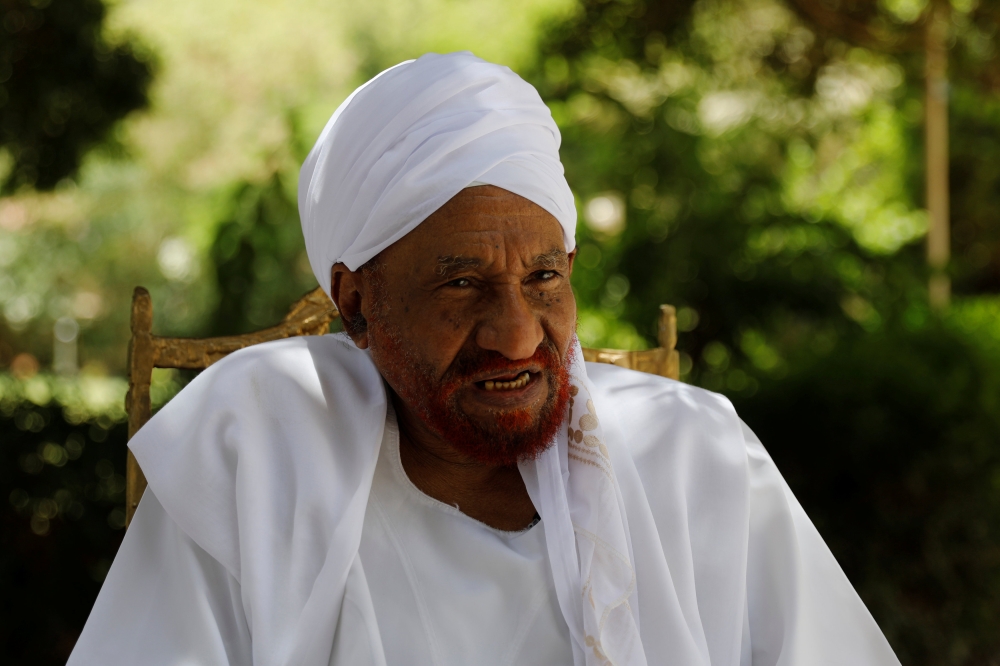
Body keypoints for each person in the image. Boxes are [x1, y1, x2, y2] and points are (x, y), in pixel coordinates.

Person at [68, 52, 900, 666]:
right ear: (356, 303)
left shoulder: (693, 453)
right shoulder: (254, 458)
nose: (516, 334)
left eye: (543, 277)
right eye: (461, 285)